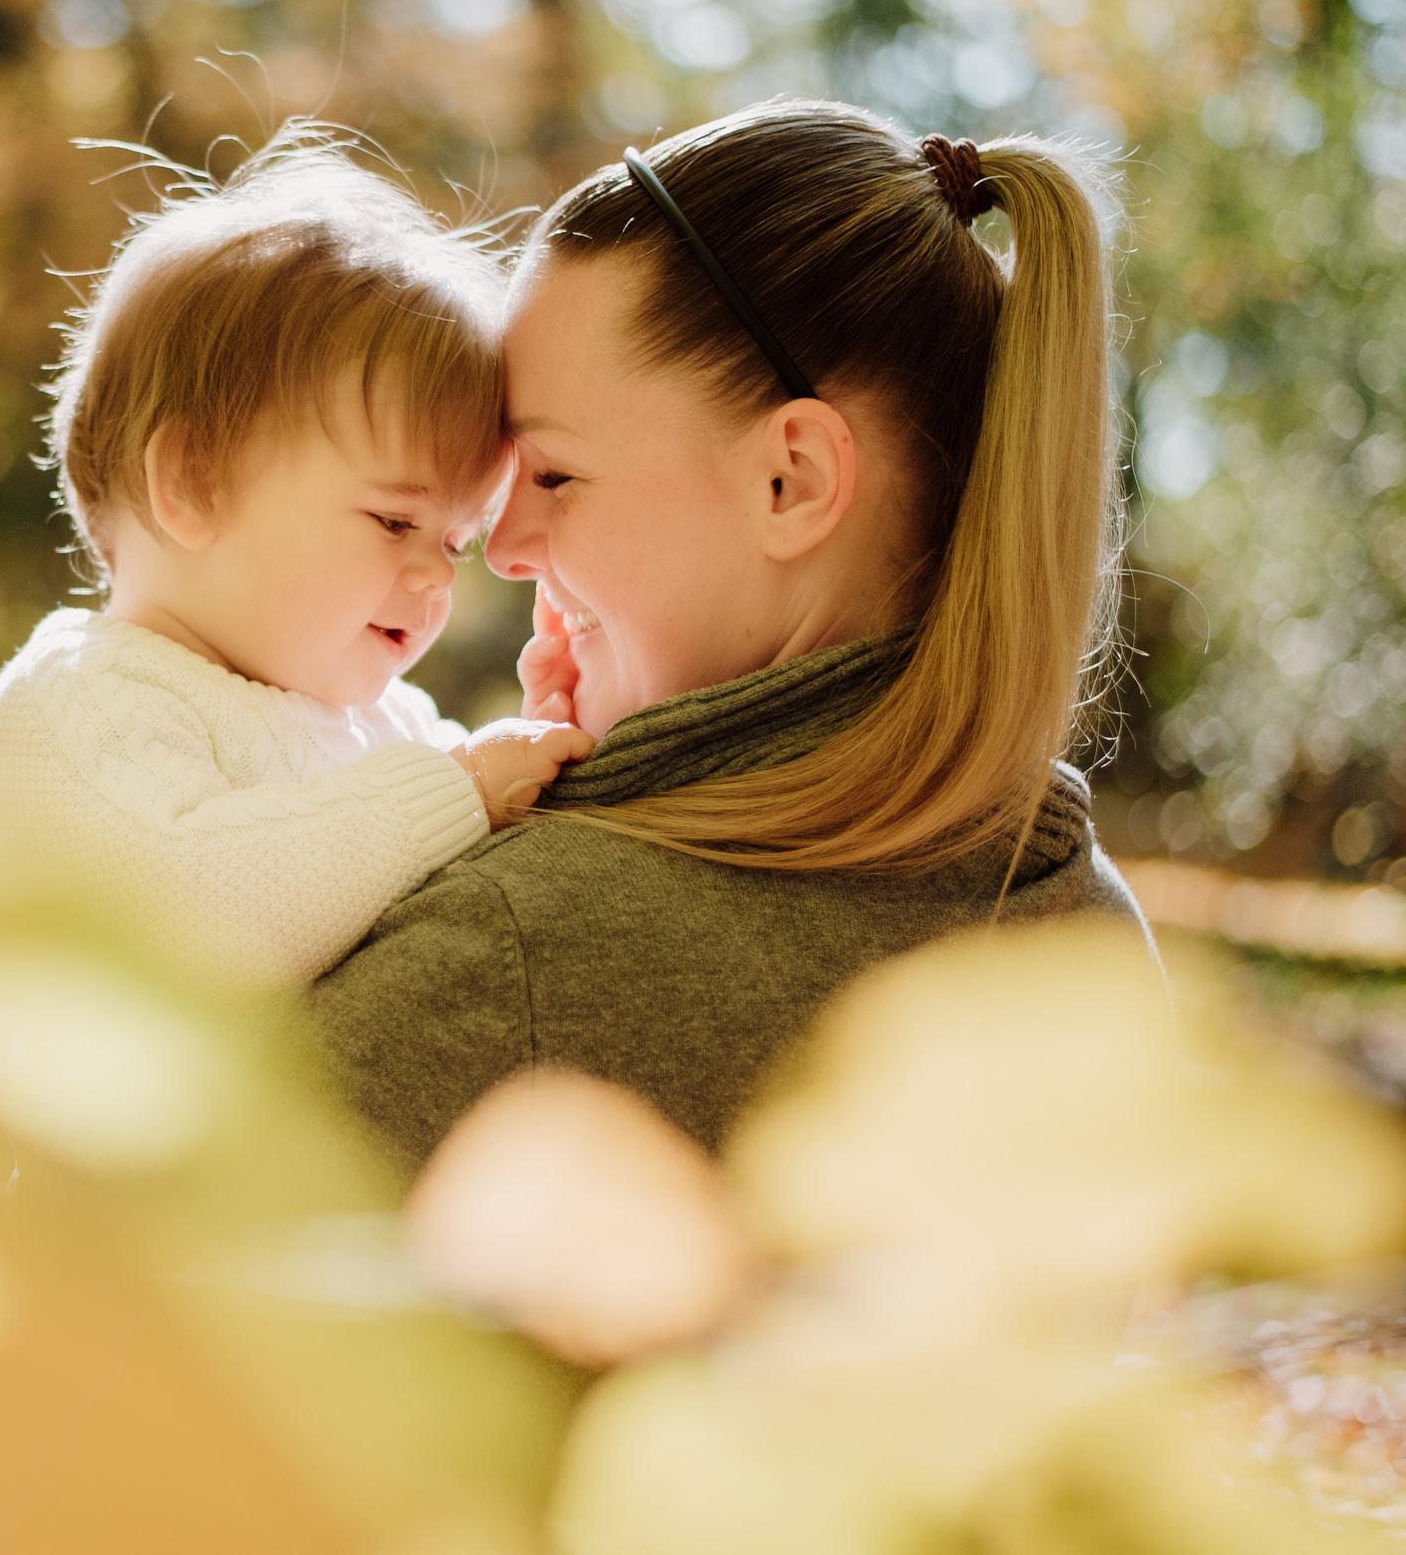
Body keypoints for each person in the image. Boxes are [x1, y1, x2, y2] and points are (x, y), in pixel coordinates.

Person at [311, 102, 1149, 1163]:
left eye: (556, 474)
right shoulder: (1090, 933)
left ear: (788, 479)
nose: (504, 543)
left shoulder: (512, 950)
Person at [0, 132, 590, 988]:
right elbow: (194, 919)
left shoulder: (395, 723)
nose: (440, 576)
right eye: (393, 519)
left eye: (454, 540)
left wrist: (536, 744)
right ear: (195, 480)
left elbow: (478, 843)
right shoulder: (82, 706)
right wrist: (464, 788)